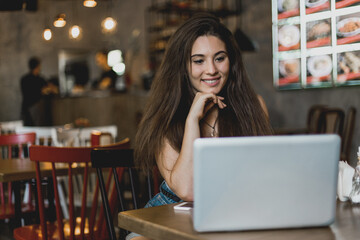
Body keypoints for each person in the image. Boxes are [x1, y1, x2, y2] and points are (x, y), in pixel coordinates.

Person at [129, 13, 273, 239]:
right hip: (170, 216)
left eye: (219, 58)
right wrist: (192, 120)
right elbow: (187, 190)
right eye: (199, 60)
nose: (211, 70)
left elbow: (262, 175)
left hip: (232, 213)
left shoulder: (254, 106)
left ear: (231, 61)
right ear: (183, 66)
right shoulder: (164, 116)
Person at [20, 57, 58, 126]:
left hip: (26, 108)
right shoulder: (39, 79)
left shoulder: (24, 79)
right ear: (38, 66)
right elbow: (49, 90)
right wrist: (45, 90)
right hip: (34, 109)